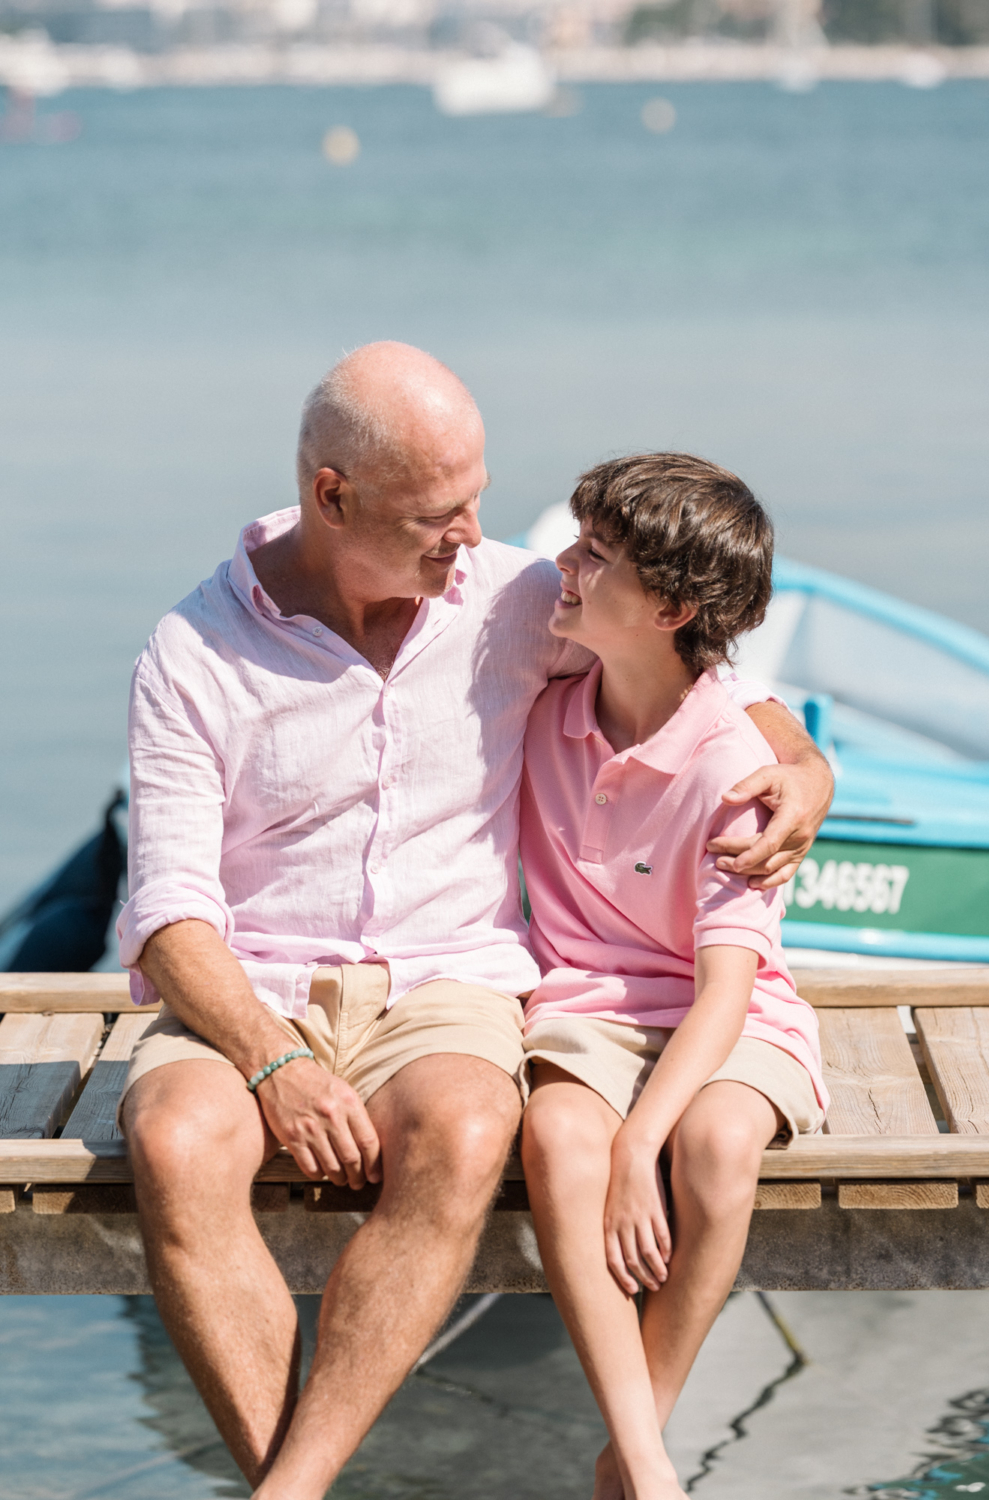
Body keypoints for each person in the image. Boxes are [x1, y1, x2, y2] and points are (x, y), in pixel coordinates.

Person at [116, 343, 833, 1500]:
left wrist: (803, 764)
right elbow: (168, 913)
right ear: (331, 496)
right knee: (173, 1143)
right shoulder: (193, 651)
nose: (474, 536)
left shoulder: (506, 599)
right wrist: (270, 1057)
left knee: (463, 1130)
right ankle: (287, 1482)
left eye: (479, 501)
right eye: (437, 516)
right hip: (250, 987)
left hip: (446, 984)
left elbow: (692, 669)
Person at [518, 453, 830, 1500]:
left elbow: (729, 993)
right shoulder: (548, 693)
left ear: (667, 606)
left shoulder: (733, 766)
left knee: (714, 1144)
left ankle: (630, 1453)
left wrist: (640, 1139)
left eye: (593, 557)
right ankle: (650, 1467)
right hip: (587, 1007)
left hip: (724, 1016)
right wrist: (607, 1144)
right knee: (560, 1135)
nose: (561, 565)